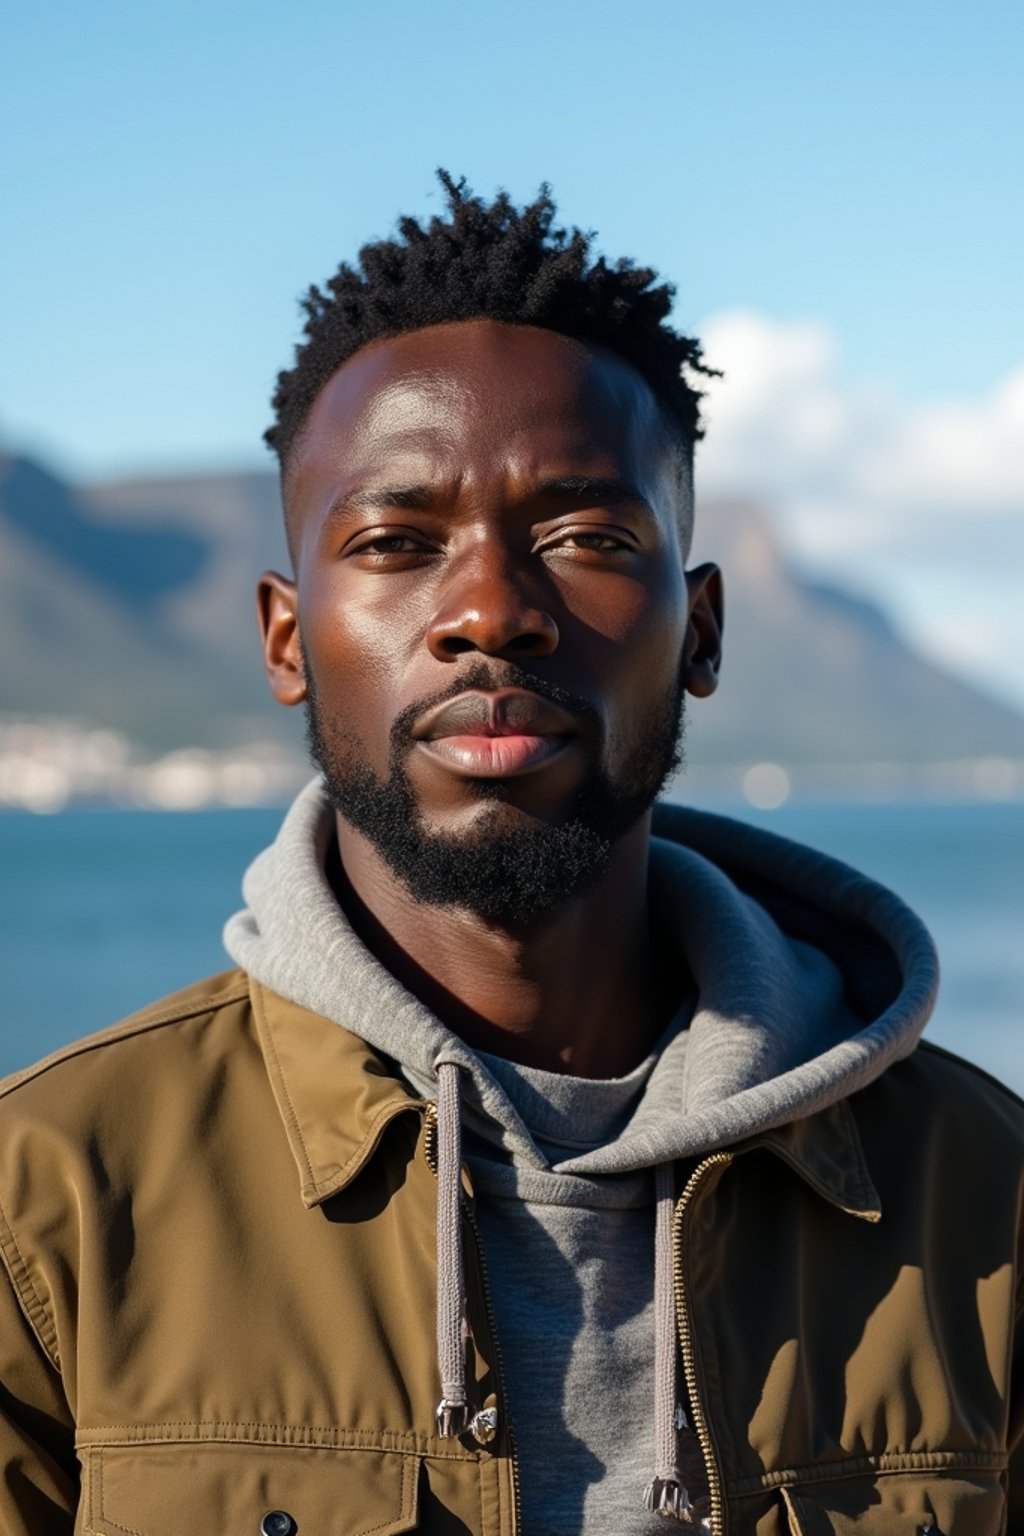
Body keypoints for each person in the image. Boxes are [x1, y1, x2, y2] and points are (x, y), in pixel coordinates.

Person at [1, 173, 1021, 1536]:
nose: (491, 611)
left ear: (702, 631)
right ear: (286, 641)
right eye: (396, 542)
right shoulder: (43, 1209)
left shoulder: (986, 1203)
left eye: (588, 536)